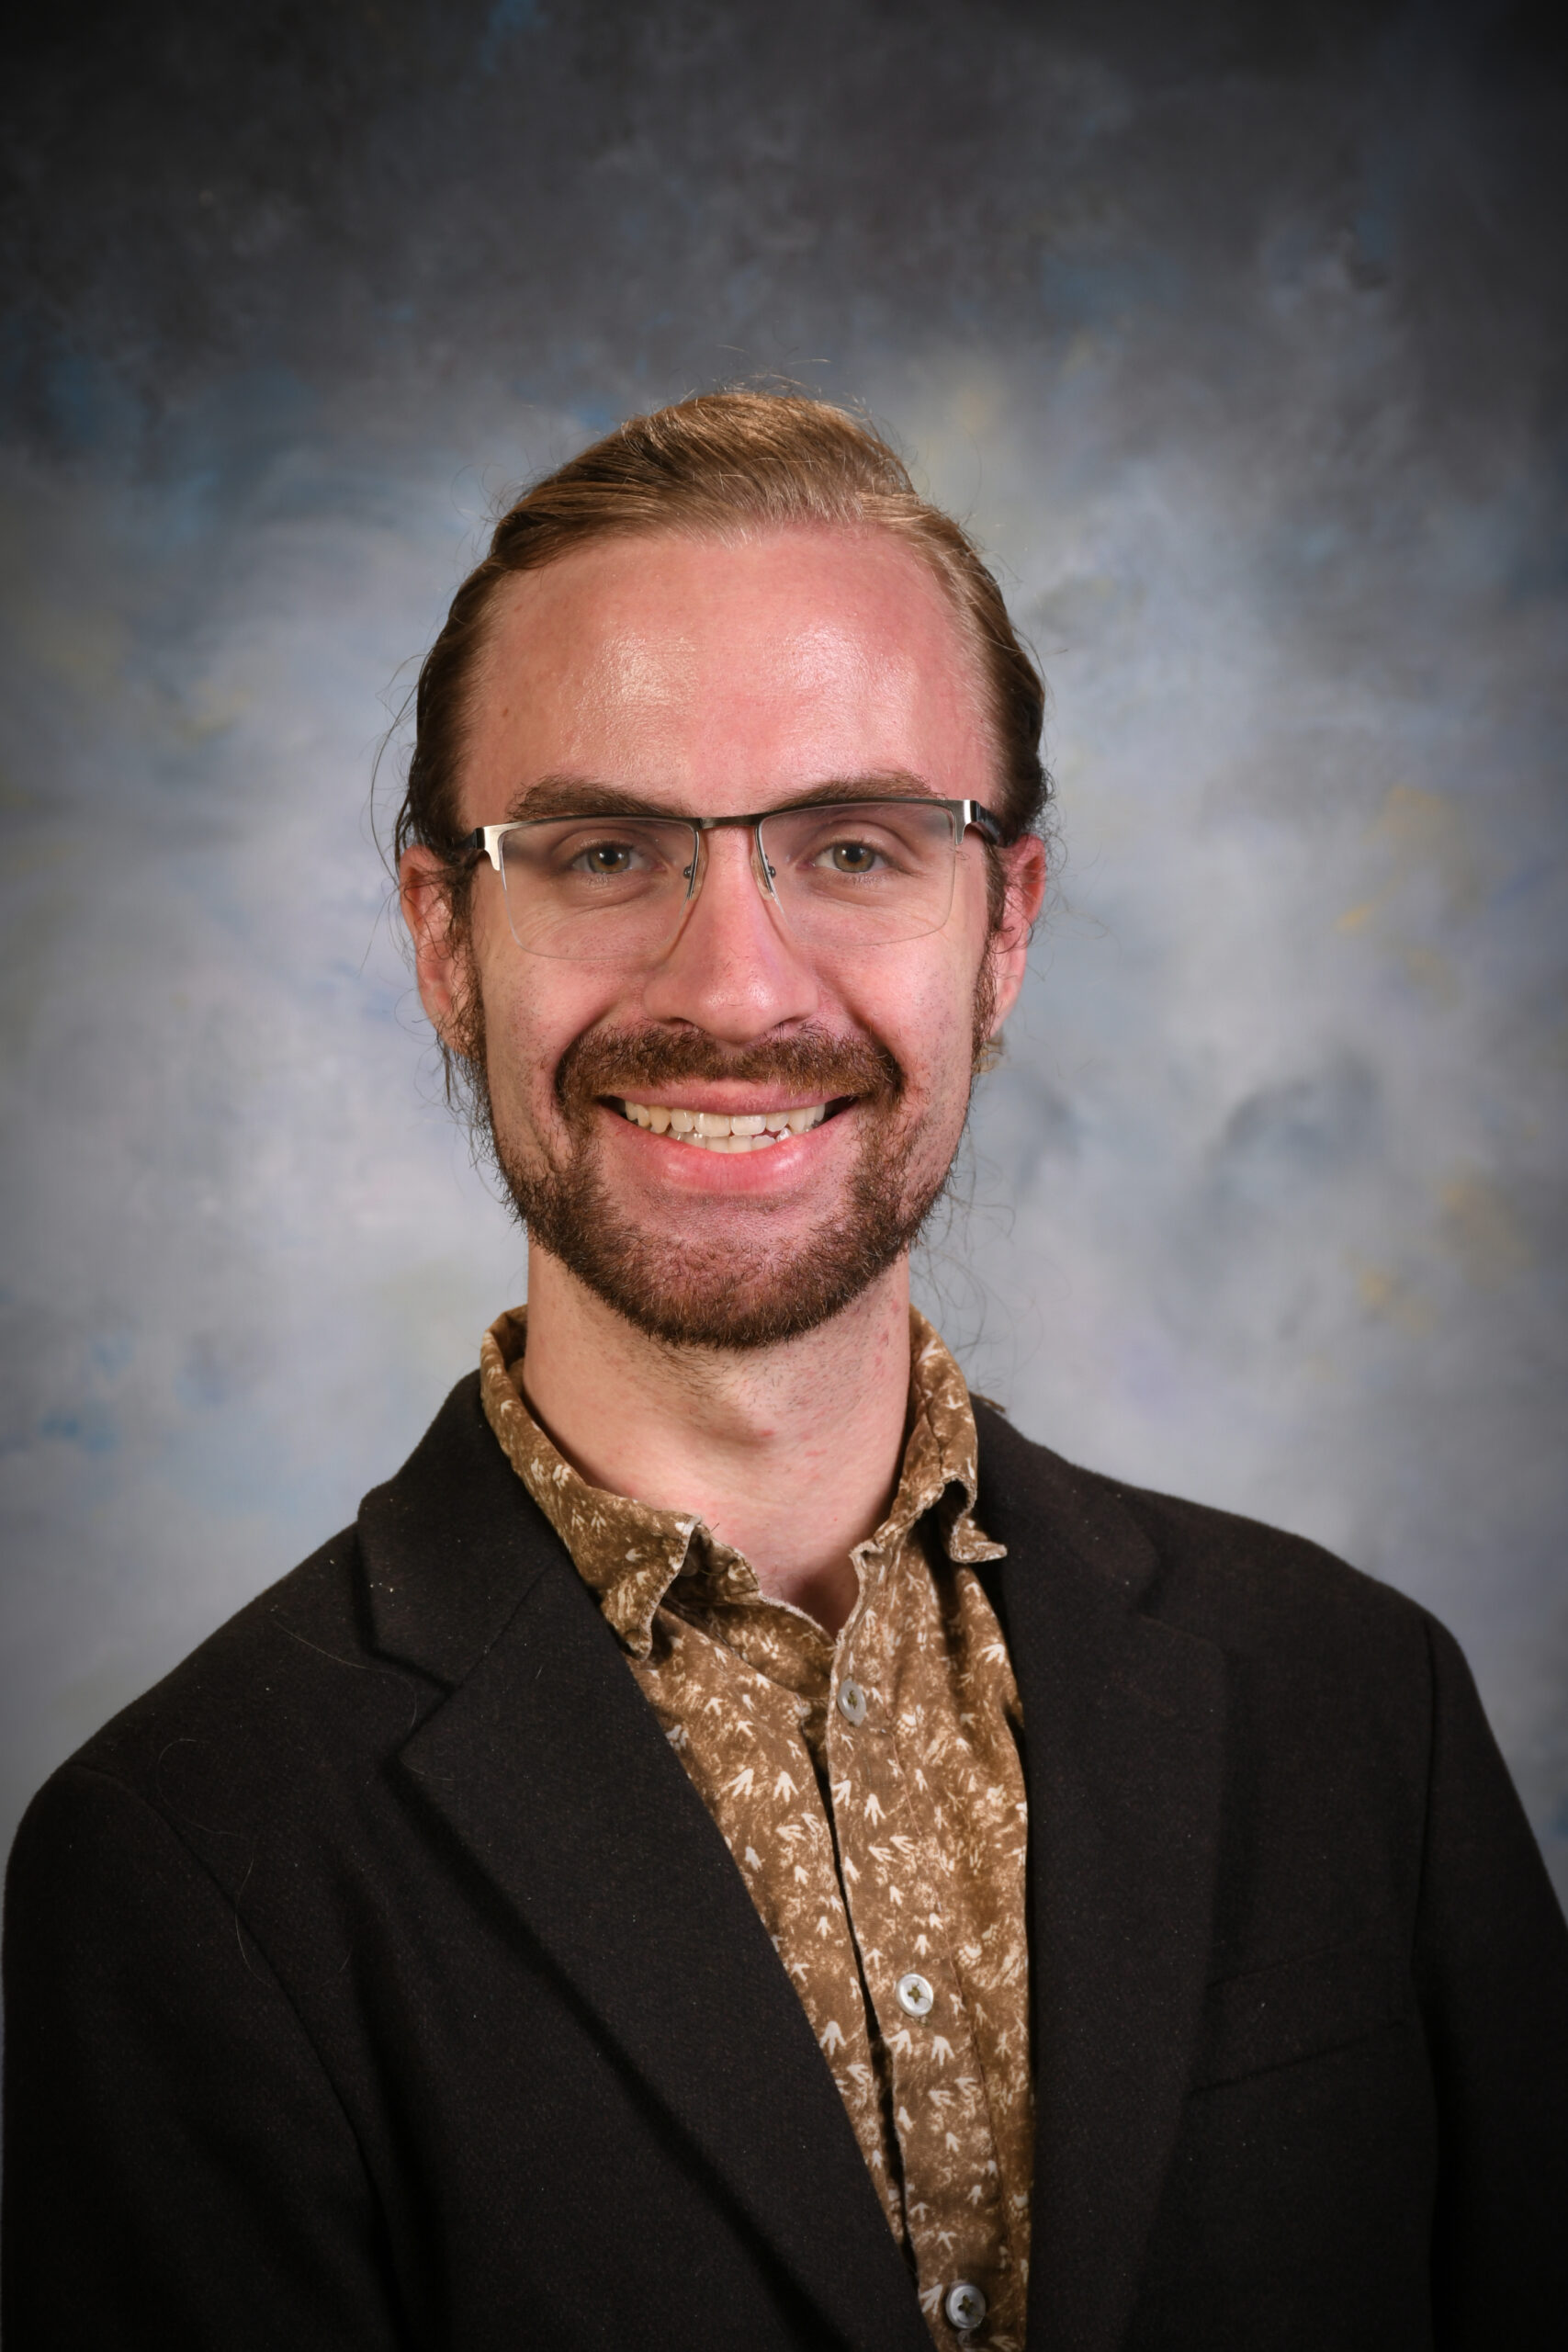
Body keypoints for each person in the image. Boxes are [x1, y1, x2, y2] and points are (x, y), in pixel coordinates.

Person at [4, 392, 1565, 2352]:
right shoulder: (179, 1862)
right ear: (444, 939)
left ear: (1001, 927)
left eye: (853, 846)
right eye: (602, 850)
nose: (734, 986)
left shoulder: (1361, 1708)